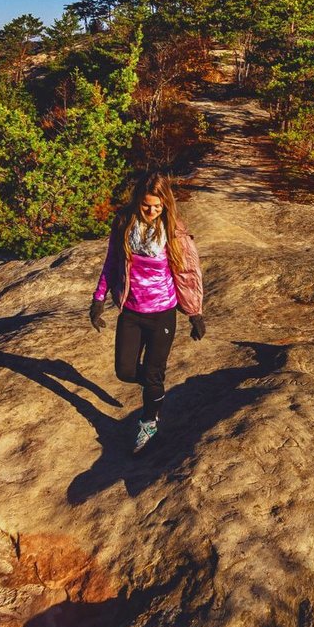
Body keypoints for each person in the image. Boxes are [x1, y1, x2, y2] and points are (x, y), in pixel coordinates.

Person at [89, 172, 205, 453]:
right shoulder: (124, 224)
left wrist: (195, 313)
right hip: (131, 311)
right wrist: (98, 298)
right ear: (137, 201)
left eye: (157, 206)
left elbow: (188, 272)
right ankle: (156, 389)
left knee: (153, 374)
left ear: (166, 203)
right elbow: (111, 263)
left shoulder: (174, 231)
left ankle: (148, 420)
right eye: (146, 206)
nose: (152, 211)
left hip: (163, 313)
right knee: (125, 370)